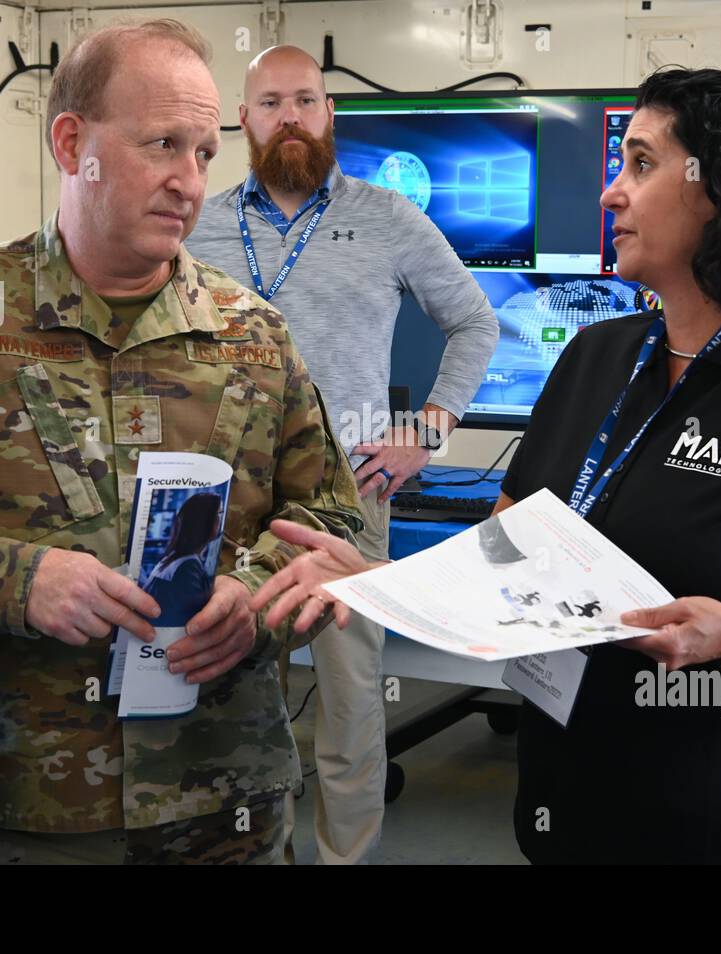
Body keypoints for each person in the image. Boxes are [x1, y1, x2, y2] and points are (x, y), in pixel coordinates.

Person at [245, 66, 721, 865]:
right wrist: (374, 581)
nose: (611, 192)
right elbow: (505, 545)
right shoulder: (594, 356)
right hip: (572, 811)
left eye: (641, 164)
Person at [0, 19, 362, 866]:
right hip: (20, 806)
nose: (189, 182)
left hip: (225, 804)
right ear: (71, 142)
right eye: (163, 143)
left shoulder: (254, 335)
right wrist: (15, 577)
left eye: (205, 152)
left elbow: (332, 517)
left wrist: (255, 599)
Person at [185, 45, 498, 863]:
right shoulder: (201, 223)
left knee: (352, 699)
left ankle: (343, 857)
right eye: (269, 103)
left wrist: (424, 433)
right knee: (212, 675)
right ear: (244, 121)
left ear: (329, 115)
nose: (289, 116)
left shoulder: (389, 217)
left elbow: (476, 322)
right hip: (222, 497)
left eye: (305, 100)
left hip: (347, 494)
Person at [141, 492, 223, 627]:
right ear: (206, 522)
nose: (220, 520)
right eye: (218, 515)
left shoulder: (173, 558)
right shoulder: (188, 567)